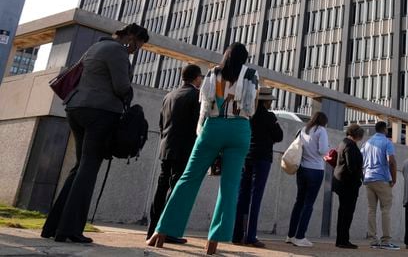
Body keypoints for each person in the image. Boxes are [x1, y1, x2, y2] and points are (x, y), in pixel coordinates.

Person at [147, 42, 258, 255]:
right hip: (240, 129)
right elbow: (250, 108)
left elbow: (205, 105)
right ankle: (213, 241)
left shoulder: (213, 73)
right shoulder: (251, 74)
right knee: (230, 186)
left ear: (225, 56)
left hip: (213, 127)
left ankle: (161, 232)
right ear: (244, 58)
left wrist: (202, 131)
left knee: (188, 178)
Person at [42, 24, 150, 244]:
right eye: (138, 44)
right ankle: (70, 229)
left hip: (76, 108)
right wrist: (129, 93)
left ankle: (54, 226)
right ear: (131, 36)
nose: (136, 49)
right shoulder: (118, 51)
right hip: (99, 112)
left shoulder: (96, 47)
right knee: (89, 168)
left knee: (80, 166)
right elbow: (121, 87)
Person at [146, 64, 204, 242]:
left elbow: (161, 123)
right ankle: (167, 231)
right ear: (196, 78)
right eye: (200, 77)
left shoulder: (169, 95)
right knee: (177, 188)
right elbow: (198, 126)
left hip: (166, 146)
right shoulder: (196, 96)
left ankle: (152, 230)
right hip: (184, 148)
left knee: (161, 187)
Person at [231, 88, 283, 248]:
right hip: (262, 158)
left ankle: (236, 234)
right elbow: (279, 136)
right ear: (265, 101)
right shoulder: (269, 116)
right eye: (270, 100)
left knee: (242, 195)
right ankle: (250, 236)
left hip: (246, 156)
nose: (271, 103)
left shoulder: (248, 114)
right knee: (256, 197)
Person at [286, 111, 329, 247]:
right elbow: (323, 151)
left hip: (302, 168)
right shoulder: (321, 131)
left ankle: (291, 235)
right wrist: (328, 148)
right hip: (315, 169)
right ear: (323, 121)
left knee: (299, 202)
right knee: (308, 204)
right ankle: (300, 236)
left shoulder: (303, 129)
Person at [361, 120, 400, 250]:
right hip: (382, 179)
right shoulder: (387, 142)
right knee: (385, 210)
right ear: (385, 130)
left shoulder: (366, 143)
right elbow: (392, 161)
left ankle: (373, 240)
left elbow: (361, 161)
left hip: (368, 179)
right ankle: (385, 240)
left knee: (371, 210)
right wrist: (393, 179)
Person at [333, 123, 365, 249]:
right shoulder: (350, 145)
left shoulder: (343, 143)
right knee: (347, 213)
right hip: (348, 184)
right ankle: (343, 240)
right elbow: (351, 166)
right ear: (357, 135)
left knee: (343, 212)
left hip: (342, 182)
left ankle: (341, 239)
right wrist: (359, 179)